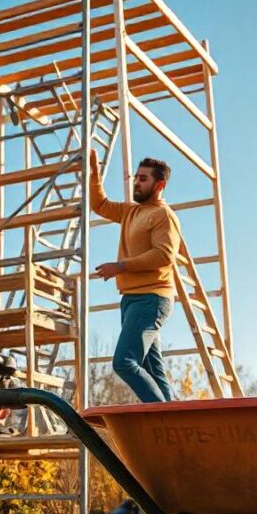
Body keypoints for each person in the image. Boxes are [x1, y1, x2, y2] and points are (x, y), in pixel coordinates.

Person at [89, 148, 181, 403]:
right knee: (154, 371)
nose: (137, 183)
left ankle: (159, 417)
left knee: (124, 362)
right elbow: (100, 205)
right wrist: (94, 172)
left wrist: (120, 266)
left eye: (144, 179)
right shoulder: (131, 211)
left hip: (151, 299)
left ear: (159, 184)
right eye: (136, 178)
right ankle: (175, 418)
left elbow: (164, 255)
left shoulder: (163, 216)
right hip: (131, 299)